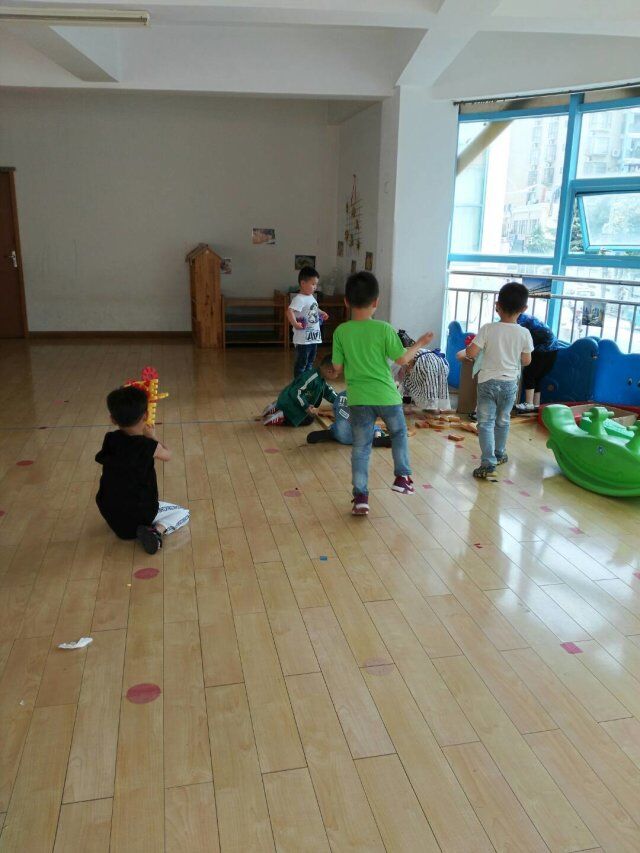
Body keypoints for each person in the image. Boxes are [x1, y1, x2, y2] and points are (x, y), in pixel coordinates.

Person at [331, 271, 434, 516]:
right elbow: (402, 359)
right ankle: (402, 478)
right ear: (376, 302)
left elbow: (336, 368)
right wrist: (420, 343)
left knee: (361, 447)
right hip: (387, 396)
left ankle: (360, 498)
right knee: (398, 434)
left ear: (346, 301)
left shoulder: (341, 332)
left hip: (358, 399)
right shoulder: (385, 329)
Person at [95, 385, 189, 554]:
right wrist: (152, 436)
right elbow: (168, 455)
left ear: (113, 419)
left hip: (110, 514)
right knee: (183, 513)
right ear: (145, 415)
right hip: (140, 515)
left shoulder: (110, 439)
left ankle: (137, 526)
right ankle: (156, 531)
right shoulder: (148, 446)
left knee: (125, 495)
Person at [465, 282, 533, 479]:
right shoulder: (524, 333)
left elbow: (471, 353)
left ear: (497, 305)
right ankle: (500, 453)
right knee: (503, 420)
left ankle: (488, 462)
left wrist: (471, 349)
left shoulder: (488, 329)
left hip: (487, 382)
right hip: (510, 383)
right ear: (524, 309)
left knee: (485, 423)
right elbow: (526, 361)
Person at [262, 355, 338, 427]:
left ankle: (277, 407)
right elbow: (296, 393)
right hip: (290, 402)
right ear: (329, 371)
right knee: (308, 419)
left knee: (310, 414)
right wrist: (306, 407)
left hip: (290, 400)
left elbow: (328, 392)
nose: (337, 376)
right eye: (337, 374)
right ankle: (280, 417)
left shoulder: (319, 377)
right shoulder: (312, 378)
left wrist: (340, 400)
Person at [306, 390, 392, 447]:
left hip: (342, 436)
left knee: (337, 425)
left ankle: (332, 433)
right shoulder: (369, 398)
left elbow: (335, 413)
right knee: (375, 428)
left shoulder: (340, 395)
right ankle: (376, 438)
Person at [515, 309, 560, 412]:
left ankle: (529, 404)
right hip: (553, 348)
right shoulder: (525, 318)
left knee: (529, 374)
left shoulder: (519, 322)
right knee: (537, 377)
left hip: (543, 349)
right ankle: (536, 405)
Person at [288, 266, 329, 378]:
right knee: (302, 362)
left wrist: (321, 312)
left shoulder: (311, 297)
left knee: (310, 362)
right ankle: (298, 383)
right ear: (303, 283)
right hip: (303, 340)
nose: (315, 287)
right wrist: (295, 324)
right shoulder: (299, 299)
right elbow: (289, 311)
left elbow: (314, 308)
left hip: (313, 337)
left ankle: (307, 381)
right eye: (313, 284)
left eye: (316, 284)